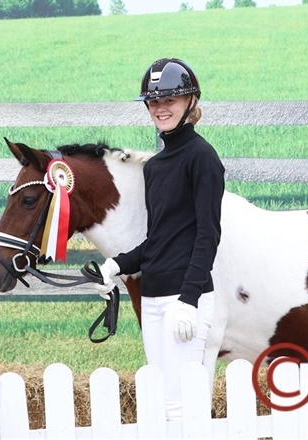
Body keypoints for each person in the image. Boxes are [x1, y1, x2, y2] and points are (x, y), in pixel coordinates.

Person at [93, 57, 225, 420]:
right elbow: (159, 240)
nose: (160, 108)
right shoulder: (155, 167)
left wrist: (189, 298)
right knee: (163, 405)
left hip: (184, 300)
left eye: (170, 100)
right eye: (154, 101)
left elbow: (208, 235)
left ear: (190, 102)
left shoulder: (202, 158)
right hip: (152, 299)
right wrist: (117, 264)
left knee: (182, 407)